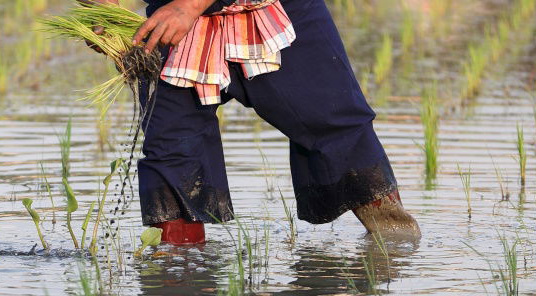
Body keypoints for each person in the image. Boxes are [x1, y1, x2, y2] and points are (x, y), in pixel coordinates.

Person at [92, 0, 421, 244]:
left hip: (274, 9)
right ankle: (178, 287)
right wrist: (99, 11)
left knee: (335, 127)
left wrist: (190, 4)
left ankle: (394, 248)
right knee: (171, 149)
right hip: (176, 21)